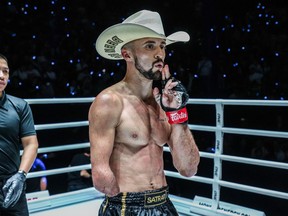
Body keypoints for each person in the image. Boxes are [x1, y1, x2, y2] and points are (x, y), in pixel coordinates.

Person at [89, 10, 200, 216]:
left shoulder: (164, 103)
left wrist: (178, 113)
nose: (160, 53)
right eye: (150, 46)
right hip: (124, 205)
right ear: (127, 54)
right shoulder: (109, 101)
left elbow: (188, 168)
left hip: (164, 202)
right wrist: (122, 201)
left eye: (162, 46)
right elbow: (100, 174)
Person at [0, 53, 39, 215]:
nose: (1, 76)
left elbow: (31, 143)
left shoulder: (19, 105)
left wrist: (21, 176)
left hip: (11, 182)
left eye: (5, 71)